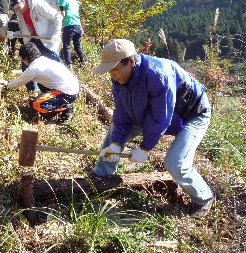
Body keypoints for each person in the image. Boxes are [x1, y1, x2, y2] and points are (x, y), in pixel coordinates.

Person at [91, 39, 214, 218]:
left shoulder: (158, 74)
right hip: (154, 112)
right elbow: (122, 113)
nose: (112, 74)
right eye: (109, 70)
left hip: (192, 114)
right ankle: (102, 175)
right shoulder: (119, 79)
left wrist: (145, 148)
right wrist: (116, 144)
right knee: (113, 133)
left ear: (131, 62)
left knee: (175, 163)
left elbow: (160, 118)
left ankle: (204, 198)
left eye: (115, 69)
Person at [0, 42, 79, 122]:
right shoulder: (43, 59)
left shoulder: (34, 68)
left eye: (22, 59)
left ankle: (65, 107)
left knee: (35, 104)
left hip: (67, 93)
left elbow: (19, 82)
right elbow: (24, 76)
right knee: (40, 83)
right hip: (72, 87)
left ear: (27, 58)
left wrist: (6, 86)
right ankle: (53, 103)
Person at [6, 0, 63, 91]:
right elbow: (25, 31)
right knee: (26, 64)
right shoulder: (20, 14)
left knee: (55, 64)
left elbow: (57, 17)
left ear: (23, 1)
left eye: (17, 7)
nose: (16, 10)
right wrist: (14, 34)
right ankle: (33, 90)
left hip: (47, 39)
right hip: (34, 40)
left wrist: (56, 34)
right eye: (14, 9)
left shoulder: (38, 5)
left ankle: (61, 88)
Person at [58, 0, 86, 69]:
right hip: (77, 25)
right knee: (77, 45)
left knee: (66, 45)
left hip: (68, 24)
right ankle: (83, 61)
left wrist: (59, 25)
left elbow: (63, 14)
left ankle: (68, 66)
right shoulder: (75, 1)